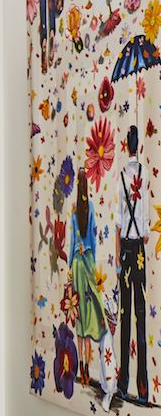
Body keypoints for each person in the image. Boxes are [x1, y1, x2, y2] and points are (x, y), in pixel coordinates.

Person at [70, 167, 115, 403]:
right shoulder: (91, 210)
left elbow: (70, 244)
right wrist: (91, 258)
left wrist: (70, 265)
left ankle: (82, 369)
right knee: (88, 317)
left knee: (79, 318)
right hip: (87, 262)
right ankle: (87, 368)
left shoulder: (74, 211)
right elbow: (94, 240)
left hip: (77, 266)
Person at [116, 124, 149, 405]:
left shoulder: (122, 177)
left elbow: (117, 220)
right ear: (138, 146)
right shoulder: (144, 174)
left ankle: (123, 383)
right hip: (139, 247)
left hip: (126, 248)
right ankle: (144, 387)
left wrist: (118, 256)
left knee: (125, 315)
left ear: (127, 145)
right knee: (140, 316)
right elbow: (148, 226)